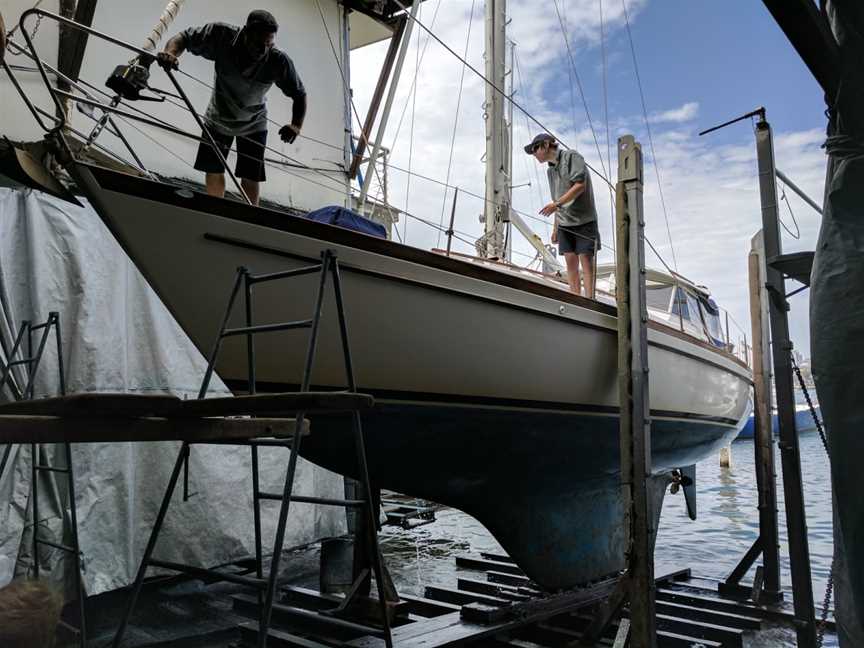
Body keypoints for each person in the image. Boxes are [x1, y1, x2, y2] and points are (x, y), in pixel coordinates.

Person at [157, 10, 307, 206]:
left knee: (251, 175)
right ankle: (215, 210)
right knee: (213, 168)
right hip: (218, 118)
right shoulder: (221, 36)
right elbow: (184, 37)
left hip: (254, 123)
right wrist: (170, 54)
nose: (263, 50)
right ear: (245, 33)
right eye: (258, 44)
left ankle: (250, 217)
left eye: (268, 44)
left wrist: (296, 125)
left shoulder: (278, 61)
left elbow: (299, 94)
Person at [525, 133, 600, 298]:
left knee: (586, 264)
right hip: (565, 224)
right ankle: (575, 301)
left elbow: (580, 185)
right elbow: (556, 199)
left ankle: (590, 301)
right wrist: (555, 228)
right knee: (570, 265)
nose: (533, 153)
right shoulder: (550, 171)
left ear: (546, 145)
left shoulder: (571, 157)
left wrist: (557, 205)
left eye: (535, 148)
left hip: (584, 221)